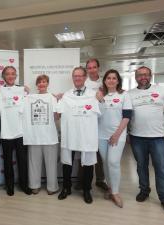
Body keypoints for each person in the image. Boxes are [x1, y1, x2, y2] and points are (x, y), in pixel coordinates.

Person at [129, 66, 164, 214]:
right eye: (140, 75)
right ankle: (144, 190)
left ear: (150, 75)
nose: (143, 77)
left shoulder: (161, 91)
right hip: (137, 137)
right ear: (135, 77)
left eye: (146, 74)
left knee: (161, 168)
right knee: (141, 166)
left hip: (158, 137)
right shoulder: (130, 94)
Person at [57, 67, 100, 204]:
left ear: (85, 77)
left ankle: (87, 190)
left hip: (86, 134)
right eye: (75, 76)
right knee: (67, 162)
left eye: (80, 76)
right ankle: (66, 188)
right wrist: (56, 100)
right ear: (72, 78)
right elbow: (57, 114)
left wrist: (101, 99)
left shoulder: (94, 95)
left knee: (88, 163)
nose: (77, 78)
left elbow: (100, 112)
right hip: (71, 133)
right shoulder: (66, 95)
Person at [96, 69, 132, 208]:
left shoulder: (124, 95)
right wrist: (100, 100)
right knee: (105, 162)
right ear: (104, 80)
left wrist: (116, 135)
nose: (111, 80)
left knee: (113, 162)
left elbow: (127, 116)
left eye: (114, 78)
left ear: (118, 81)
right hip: (101, 135)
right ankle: (110, 188)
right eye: (108, 78)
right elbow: (97, 114)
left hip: (118, 134)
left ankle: (116, 193)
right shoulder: (100, 95)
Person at [0, 66, 31, 196]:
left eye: (13, 74)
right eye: (7, 74)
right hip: (6, 132)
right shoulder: (1, 91)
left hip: (21, 131)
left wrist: (28, 93)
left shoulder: (21, 90)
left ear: (16, 76)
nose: (10, 76)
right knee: (8, 161)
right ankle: (9, 186)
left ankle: (24, 185)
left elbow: (28, 107)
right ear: (4, 76)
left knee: (22, 160)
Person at [73, 58, 108, 191]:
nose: (92, 70)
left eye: (94, 67)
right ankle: (81, 180)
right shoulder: (84, 83)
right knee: (84, 150)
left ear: (98, 68)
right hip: (87, 122)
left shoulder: (105, 82)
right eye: (89, 68)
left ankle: (100, 179)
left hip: (102, 122)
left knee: (100, 154)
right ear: (86, 70)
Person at [22, 75, 59, 195]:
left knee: (51, 164)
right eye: (39, 82)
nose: (42, 84)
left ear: (48, 83)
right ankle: (34, 185)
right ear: (37, 85)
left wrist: (58, 101)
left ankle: (52, 187)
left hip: (50, 136)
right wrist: (24, 93)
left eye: (44, 82)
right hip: (34, 136)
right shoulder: (29, 98)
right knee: (33, 163)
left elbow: (56, 116)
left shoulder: (52, 98)